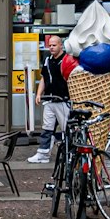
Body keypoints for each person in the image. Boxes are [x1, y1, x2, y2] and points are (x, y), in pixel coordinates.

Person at [28, 33, 70, 163]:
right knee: (47, 128)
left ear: (61, 45)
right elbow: (44, 78)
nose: (51, 47)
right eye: (49, 45)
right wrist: (39, 93)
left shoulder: (67, 60)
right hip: (49, 100)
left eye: (54, 45)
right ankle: (43, 154)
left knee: (66, 129)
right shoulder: (48, 60)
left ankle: (69, 154)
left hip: (63, 100)